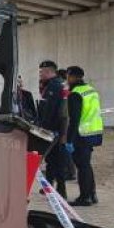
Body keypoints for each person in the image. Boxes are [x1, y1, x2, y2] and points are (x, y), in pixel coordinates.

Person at [66, 66, 103, 207]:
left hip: (81, 134)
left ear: (73, 77)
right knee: (86, 165)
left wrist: (69, 140)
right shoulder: (91, 90)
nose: (67, 79)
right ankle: (92, 194)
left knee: (82, 166)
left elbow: (74, 119)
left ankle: (85, 197)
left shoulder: (76, 93)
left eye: (68, 76)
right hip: (94, 132)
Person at [36, 60, 70, 198]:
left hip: (54, 130)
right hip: (52, 130)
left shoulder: (56, 87)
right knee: (51, 160)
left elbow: (59, 112)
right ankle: (49, 187)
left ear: (49, 71)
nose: (40, 74)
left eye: (41, 72)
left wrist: (61, 134)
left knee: (57, 161)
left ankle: (61, 191)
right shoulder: (52, 85)